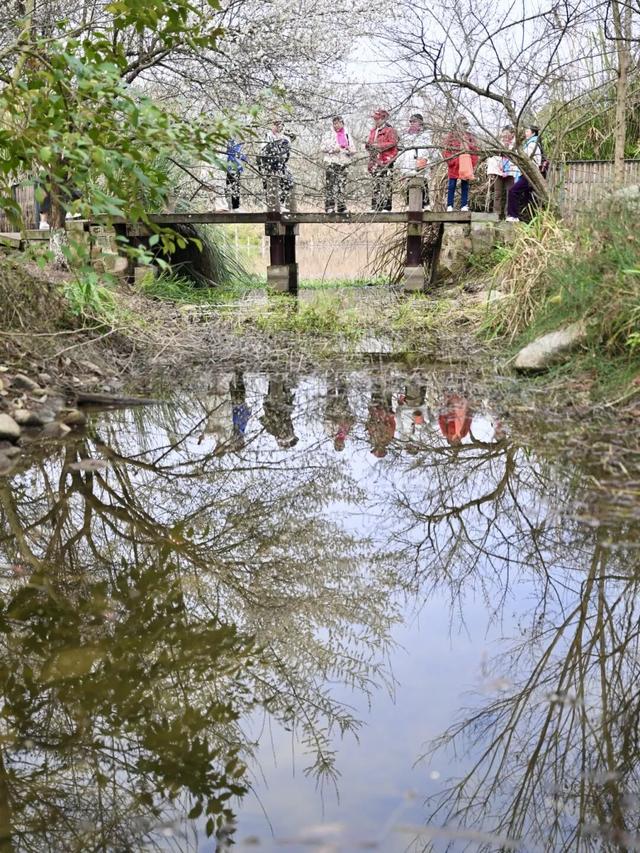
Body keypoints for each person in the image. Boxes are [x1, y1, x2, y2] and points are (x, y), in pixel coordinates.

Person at [506, 125, 544, 222]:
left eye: (527, 131)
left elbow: (525, 157)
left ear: (533, 133)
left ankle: (513, 216)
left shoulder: (532, 144)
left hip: (530, 174)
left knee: (513, 191)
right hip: (530, 174)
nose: (525, 133)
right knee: (528, 198)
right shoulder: (532, 143)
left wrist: (513, 149)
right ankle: (530, 220)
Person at [442, 117, 479, 212]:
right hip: (454, 165)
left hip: (466, 163)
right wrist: (451, 161)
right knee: (451, 185)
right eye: (463, 124)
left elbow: (475, 151)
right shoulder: (451, 136)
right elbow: (446, 151)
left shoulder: (470, 137)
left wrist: (472, 163)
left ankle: (464, 205)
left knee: (465, 185)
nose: (464, 126)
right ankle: (449, 205)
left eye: (466, 124)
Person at [396, 113, 432, 211]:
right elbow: (401, 150)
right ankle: (408, 204)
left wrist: (427, 160)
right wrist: (399, 164)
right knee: (409, 183)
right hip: (409, 162)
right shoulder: (406, 135)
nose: (412, 123)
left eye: (414, 121)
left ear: (420, 122)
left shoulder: (426, 135)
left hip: (421, 160)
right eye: (410, 121)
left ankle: (426, 204)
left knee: (423, 182)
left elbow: (430, 149)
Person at [365, 109, 399, 212]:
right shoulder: (372, 131)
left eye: (377, 118)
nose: (375, 121)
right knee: (376, 183)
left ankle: (386, 206)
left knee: (386, 182)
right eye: (375, 119)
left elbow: (393, 143)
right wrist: (369, 146)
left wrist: (378, 146)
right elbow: (369, 144)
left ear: (384, 119)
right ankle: (375, 206)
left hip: (386, 160)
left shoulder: (390, 130)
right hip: (375, 160)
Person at [257, 120, 295, 211]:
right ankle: (270, 206)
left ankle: (282, 204)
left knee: (287, 181)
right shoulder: (268, 136)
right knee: (269, 184)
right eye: (276, 125)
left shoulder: (284, 137)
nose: (278, 127)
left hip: (281, 164)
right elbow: (263, 150)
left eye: (280, 125)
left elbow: (287, 149)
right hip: (269, 165)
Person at [322, 116, 356, 213]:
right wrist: (333, 149)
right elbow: (322, 147)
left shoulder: (347, 134)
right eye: (335, 123)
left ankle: (341, 207)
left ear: (342, 124)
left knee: (342, 185)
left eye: (338, 123)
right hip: (332, 161)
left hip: (344, 162)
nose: (336, 125)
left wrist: (350, 150)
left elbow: (353, 149)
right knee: (331, 184)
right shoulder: (328, 134)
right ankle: (329, 207)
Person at [260, 376, 298, 449]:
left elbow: (264, 420)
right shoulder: (273, 431)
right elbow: (262, 420)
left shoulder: (280, 433)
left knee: (277, 378)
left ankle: (277, 368)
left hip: (278, 405)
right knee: (276, 380)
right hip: (276, 405)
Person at [486, 126, 515, 219]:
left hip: (510, 172)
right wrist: (491, 173)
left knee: (510, 193)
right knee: (497, 194)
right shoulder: (497, 145)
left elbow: (516, 160)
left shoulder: (514, 146)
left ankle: (509, 214)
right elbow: (492, 159)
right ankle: (496, 214)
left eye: (508, 134)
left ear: (512, 135)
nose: (506, 137)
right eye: (504, 134)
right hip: (498, 172)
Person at [324, 376, 355, 451]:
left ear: (335, 443)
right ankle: (342, 377)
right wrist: (349, 422)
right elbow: (353, 421)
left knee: (331, 391)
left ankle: (330, 375)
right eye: (341, 445)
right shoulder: (348, 434)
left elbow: (326, 421)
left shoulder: (330, 433)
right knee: (343, 393)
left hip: (333, 411)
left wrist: (337, 422)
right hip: (344, 412)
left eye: (338, 445)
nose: (340, 443)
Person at [366, 382, 396, 458]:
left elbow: (370, 426)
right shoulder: (387, 439)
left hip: (375, 411)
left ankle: (375, 376)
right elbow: (391, 426)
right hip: (386, 412)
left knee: (375, 391)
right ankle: (387, 377)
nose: (376, 447)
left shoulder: (373, 438)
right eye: (377, 449)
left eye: (375, 448)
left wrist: (371, 423)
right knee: (387, 393)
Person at [225, 138, 247, 211]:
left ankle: (235, 206)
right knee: (230, 186)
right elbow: (233, 153)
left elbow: (241, 155)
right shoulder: (231, 142)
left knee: (235, 187)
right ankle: (231, 206)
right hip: (230, 167)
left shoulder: (238, 143)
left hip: (236, 167)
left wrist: (244, 158)